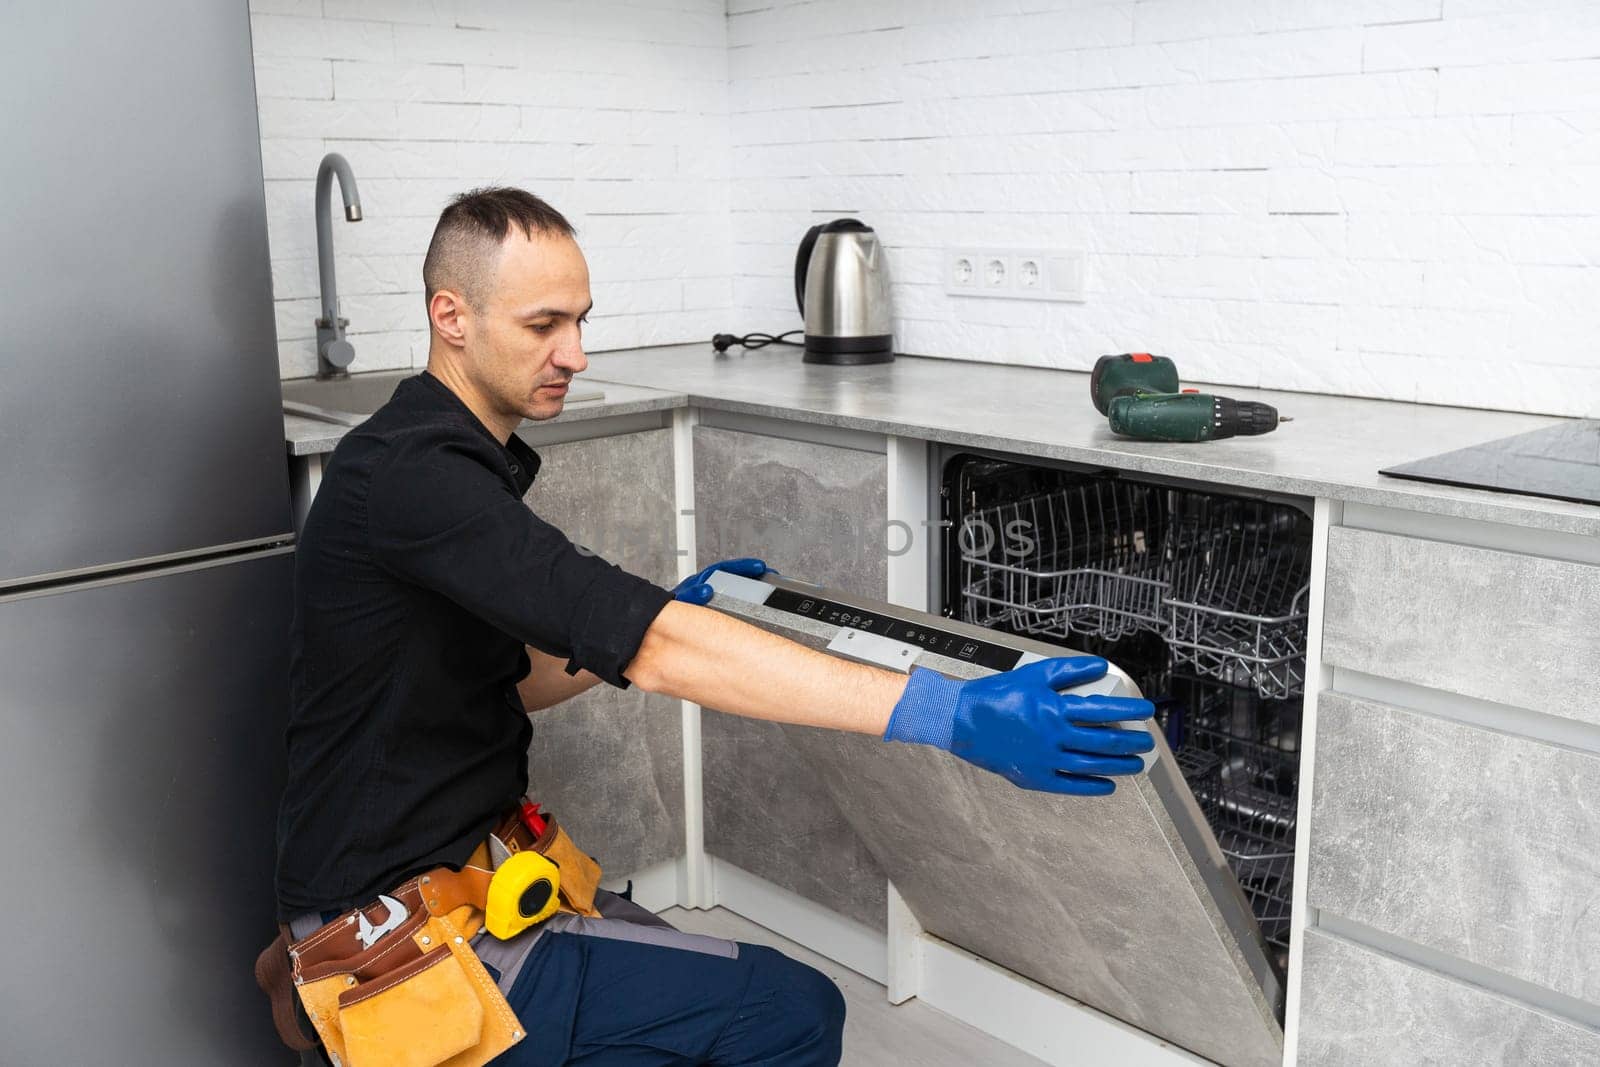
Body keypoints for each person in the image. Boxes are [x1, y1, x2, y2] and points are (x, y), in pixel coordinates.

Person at [271, 187, 1155, 1066]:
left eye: (580, 321)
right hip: (390, 944)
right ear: (450, 316)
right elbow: (650, 652)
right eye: (544, 324)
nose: (574, 353)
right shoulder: (415, 475)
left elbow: (515, 682)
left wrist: (674, 609)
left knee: (723, 995)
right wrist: (950, 712)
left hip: (453, 884)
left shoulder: (442, 454)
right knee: (793, 1012)